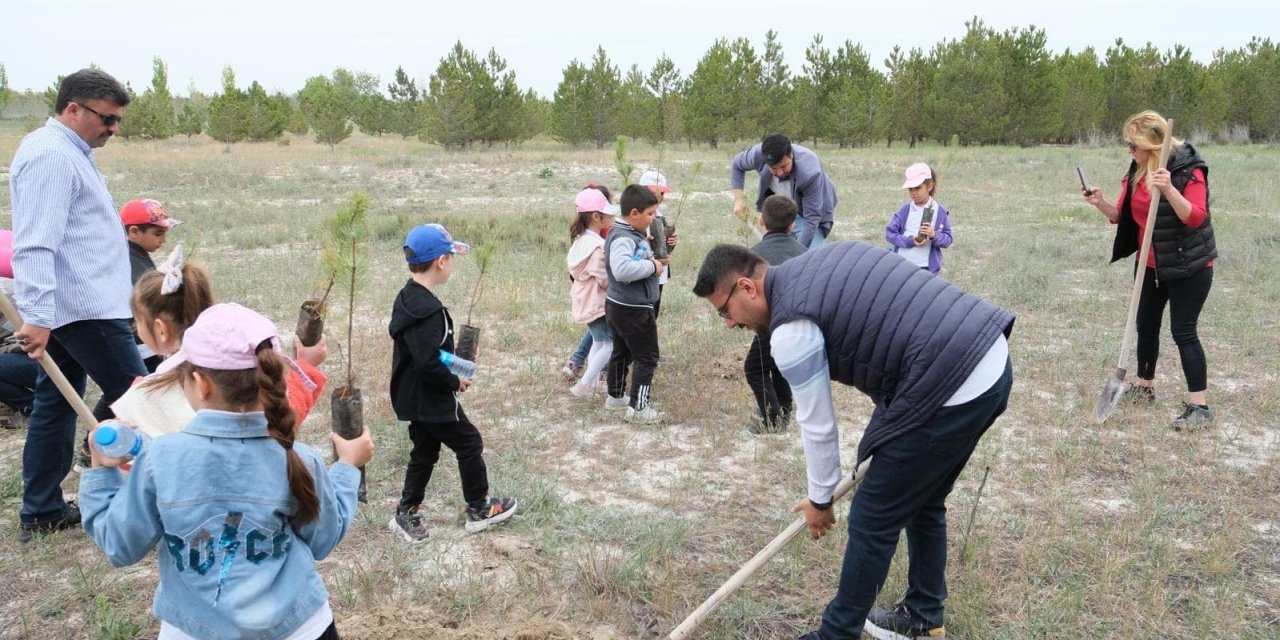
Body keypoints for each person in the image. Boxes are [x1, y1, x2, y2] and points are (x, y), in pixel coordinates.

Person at [693, 241, 1014, 640]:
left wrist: (821, 499)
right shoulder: (817, 262)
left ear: (746, 287)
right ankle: (924, 615)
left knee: (872, 515)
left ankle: (837, 634)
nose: (728, 324)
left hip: (950, 380)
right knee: (922, 498)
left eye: (724, 311)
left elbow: (818, 425)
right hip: (988, 358)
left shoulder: (791, 331)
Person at [79, 303, 373, 640]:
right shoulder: (300, 459)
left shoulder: (159, 459)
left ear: (200, 384)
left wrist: (101, 473)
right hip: (301, 628)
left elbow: (120, 545)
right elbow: (323, 540)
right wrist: (347, 467)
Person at [9, 68, 148, 543]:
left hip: (80, 307)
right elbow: (35, 245)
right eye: (107, 119)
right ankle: (168, 503)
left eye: (117, 120)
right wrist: (39, 317)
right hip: (82, 311)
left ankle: (42, 511)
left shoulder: (70, 152)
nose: (113, 128)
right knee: (141, 400)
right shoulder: (50, 156)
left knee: (54, 407)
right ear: (73, 109)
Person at [1084, 110, 1215, 430]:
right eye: (1127, 144)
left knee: (1183, 332)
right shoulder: (1137, 170)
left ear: (1153, 144)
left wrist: (1169, 189)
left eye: (1133, 144)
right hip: (1149, 263)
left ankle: (1200, 407)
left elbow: (1196, 217)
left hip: (1188, 266)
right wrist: (1100, 203)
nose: (1129, 150)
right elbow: (1122, 216)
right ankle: (1145, 388)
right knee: (1145, 325)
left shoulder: (1188, 169)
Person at [109, 246, 329, 437]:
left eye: (136, 320)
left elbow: (132, 469)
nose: (134, 327)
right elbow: (287, 409)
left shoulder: (146, 397)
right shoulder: (245, 368)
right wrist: (305, 366)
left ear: (160, 329)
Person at [389, 223, 517, 543]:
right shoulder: (429, 312)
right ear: (441, 262)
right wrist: (453, 382)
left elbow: (426, 353)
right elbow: (427, 362)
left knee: (425, 452)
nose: (452, 263)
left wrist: (455, 364)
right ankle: (478, 509)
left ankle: (405, 512)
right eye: (451, 256)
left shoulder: (407, 298)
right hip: (432, 396)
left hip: (412, 396)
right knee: (469, 442)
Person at [604, 185, 670, 423]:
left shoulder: (626, 233)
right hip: (633, 309)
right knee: (647, 356)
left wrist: (653, 248)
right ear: (634, 213)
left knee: (621, 352)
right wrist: (653, 267)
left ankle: (615, 396)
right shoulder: (624, 237)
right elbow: (621, 269)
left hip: (619, 305)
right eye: (650, 214)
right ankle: (639, 409)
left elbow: (633, 257)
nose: (654, 218)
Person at [743, 195, 808, 434]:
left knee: (754, 368)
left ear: (762, 221)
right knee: (779, 364)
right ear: (792, 225)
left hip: (769, 323)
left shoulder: (753, 254)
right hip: (798, 321)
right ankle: (784, 413)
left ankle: (771, 418)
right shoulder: (804, 252)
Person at [731, 133, 838, 250]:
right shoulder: (759, 154)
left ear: (791, 155)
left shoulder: (810, 171)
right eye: (774, 168)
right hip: (780, 209)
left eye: (784, 166)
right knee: (775, 255)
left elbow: (812, 218)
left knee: (812, 257)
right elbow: (737, 164)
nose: (780, 173)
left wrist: (797, 252)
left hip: (808, 213)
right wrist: (739, 199)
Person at [566, 187, 619, 397]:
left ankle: (593, 384)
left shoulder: (581, 241)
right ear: (596, 217)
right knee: (610, 342)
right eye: (607, 213)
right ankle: (584, 384)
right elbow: (604, 280)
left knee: (599, 341)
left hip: (583, 300)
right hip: (596, 302)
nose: (610, 217)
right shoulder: (597, 247)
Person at [121, 198, 182, 372]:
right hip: (140, 343)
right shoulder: (131, 264)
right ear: (134, 232)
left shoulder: (137, 254)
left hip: (144, 339)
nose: (163, 240)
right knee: (130, 388)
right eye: (158, 234)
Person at [885, 163, 953, 275]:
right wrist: (910, 241)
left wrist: (933, 235)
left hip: (926, 269)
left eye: (918, 188)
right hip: (903, 264)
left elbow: (948, 240)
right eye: (910, 189)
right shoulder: (904, 211)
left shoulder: (940, 212)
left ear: (929, 187)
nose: (913, 193)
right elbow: (890, 234)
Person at [638, 169, 679, 316]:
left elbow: (664, 247)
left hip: (659, 273)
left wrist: (672, 242)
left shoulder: (661, 217)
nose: (658, 197)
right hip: (643, 273)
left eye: (661, 193)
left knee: (652, 314)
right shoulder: (635, 217)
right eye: (654, 193)